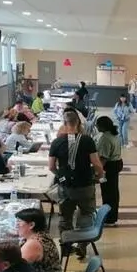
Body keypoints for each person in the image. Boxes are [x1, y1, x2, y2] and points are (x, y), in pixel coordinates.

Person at [48, 110, 103, 259]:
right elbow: (97, 164)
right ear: (78, 123)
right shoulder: (87, 140)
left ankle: (66, 247)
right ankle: (82, 245)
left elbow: (51, 166)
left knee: (65, 217)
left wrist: (61, 176)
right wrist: (99, 176)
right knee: (85, 214)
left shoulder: (57, 142)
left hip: (66, 187)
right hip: (85, 184)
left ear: (64, 123)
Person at [16, 208, 65, 272]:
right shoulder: (41, 235)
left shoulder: (33, 244)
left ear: (31, 225)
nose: (16, 226)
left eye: (19, 222)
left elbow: (15, 269)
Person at [94, 116, 123, 225]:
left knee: (107, 192)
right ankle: (112, 215)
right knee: (113, 191)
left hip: (109, 167)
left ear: (102, 126)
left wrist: (98, 173)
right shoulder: (114, 135)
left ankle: (109, 217)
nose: (96, 126)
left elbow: (103, 158)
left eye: (97, 125)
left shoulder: (105, 138)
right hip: (116, 164)